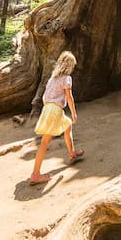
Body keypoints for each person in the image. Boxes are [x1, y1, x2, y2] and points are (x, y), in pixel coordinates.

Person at [30, 50, 84, 185]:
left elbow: (45, 96)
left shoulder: (52, 79)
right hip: (54, 110)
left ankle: (72, 153)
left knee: (67, 125)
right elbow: (70, 98)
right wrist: (74, 112)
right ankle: (35, 175)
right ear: (69, 66)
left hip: (48, 108)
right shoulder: (66, 79)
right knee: (44, 142)